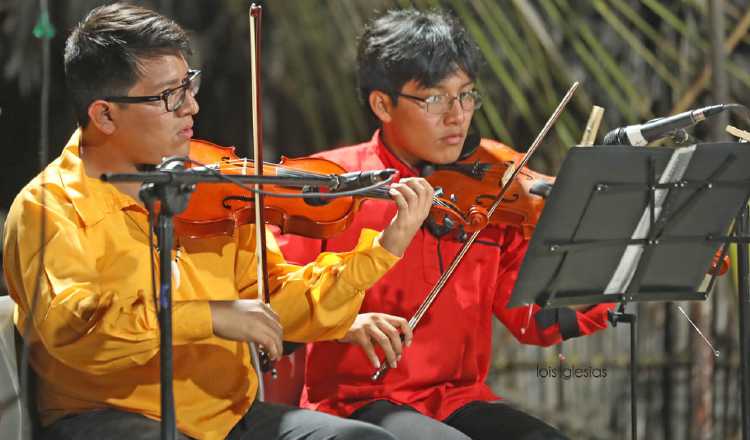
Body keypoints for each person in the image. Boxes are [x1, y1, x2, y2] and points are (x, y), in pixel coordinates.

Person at [2, 4, 435, 440]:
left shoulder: (212, 186)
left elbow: (273, 299)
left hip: (229, 416)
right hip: (110, 417)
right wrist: (208, 316)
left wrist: (383, 249)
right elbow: (78, 329)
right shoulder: (48, 207)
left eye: (189, 84)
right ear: (105, 115)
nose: (191, 106)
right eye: (170, 95)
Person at [275, 9, 614, 440]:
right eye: (435, 99)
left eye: (467, 95)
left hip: (460, 398)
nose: (458, 116)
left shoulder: (492, 192)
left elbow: (534, 320)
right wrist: (341, 324)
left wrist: (610, 271)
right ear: (383, 104)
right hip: (359, 402)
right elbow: (278, 304)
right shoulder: (332, 185)